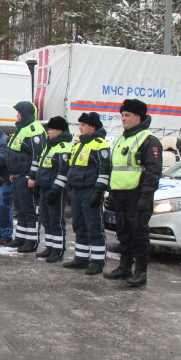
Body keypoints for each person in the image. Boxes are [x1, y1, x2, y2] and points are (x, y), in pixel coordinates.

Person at [104, 99, 163, 287]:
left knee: (139, 234)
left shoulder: (149, 140)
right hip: (121, 194)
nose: (123, 119)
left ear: (139, 117)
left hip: (138, 195)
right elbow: (117, 168)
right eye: (122, 115)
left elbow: (153, 172)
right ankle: (124, 267)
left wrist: (146, 196)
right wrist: (112, 193)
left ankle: (141, 272)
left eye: (127, 115)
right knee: (123, 233)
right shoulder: (123, 138)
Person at [63, 112, 110, 275]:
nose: (80, 128)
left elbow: (104, 170)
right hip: (76, 190)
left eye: (83, 125)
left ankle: (97, 262)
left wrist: (98, 192)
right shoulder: (78, 145)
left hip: (90, 190)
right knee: (79, 226)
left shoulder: (100, 144)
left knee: (94, 227)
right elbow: (72, 168)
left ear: (93, 127)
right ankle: (81, 258)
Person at [6, 101, 46, 253]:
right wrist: (12, 172)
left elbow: (37, 155)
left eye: (19, 112)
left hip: (26, 177)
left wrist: (33, 176)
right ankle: (20, 238)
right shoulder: (22, 129)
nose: (17, 115)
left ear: (26, 113)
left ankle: (31, 241)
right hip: (17, 176)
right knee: (20, 209)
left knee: (29, 210)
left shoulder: (35, 129)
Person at [34, 116, 73, 263]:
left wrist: (55, 190)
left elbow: (63, 171)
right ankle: (50, 247)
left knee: (56, 221)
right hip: (45, 188)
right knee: (46, 220)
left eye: (51, 129)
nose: (48, 132)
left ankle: (58, 250)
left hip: (55, 190)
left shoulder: (64, 148)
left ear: (60, 131)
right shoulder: (49, 146)